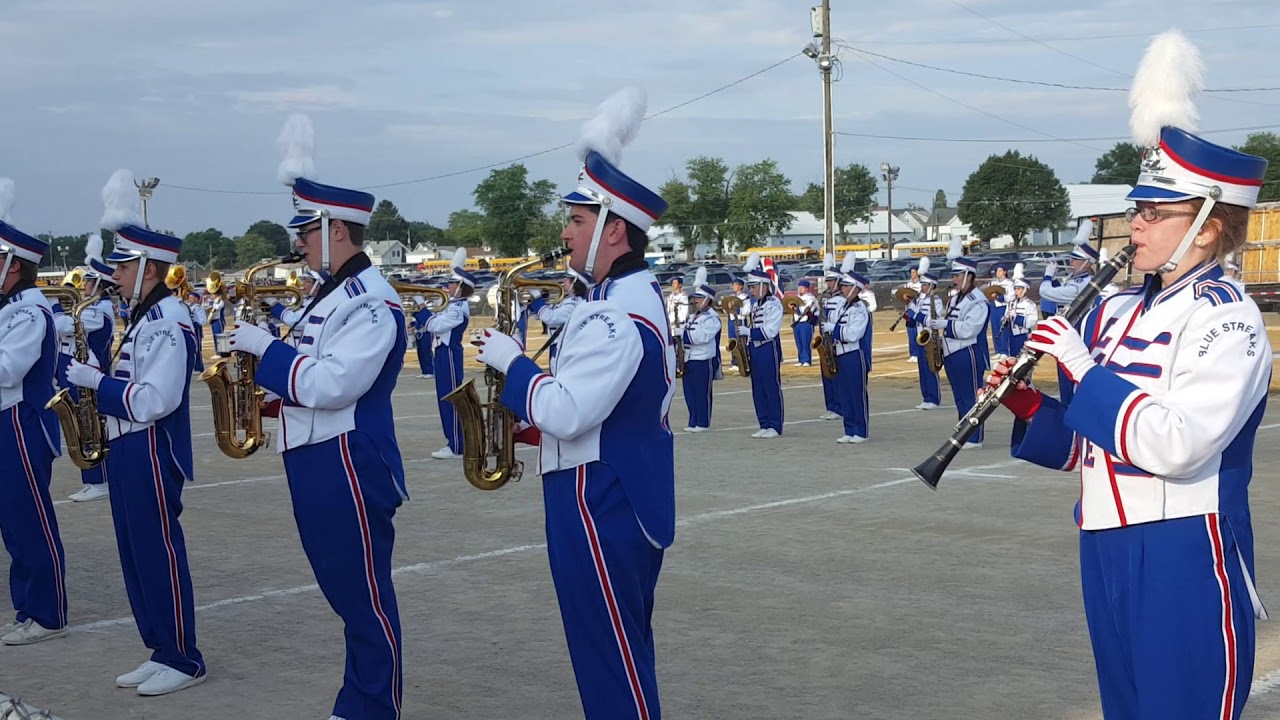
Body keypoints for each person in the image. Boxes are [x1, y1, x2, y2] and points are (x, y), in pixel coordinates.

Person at [988, 31, 1271, 720]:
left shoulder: (1228, 320)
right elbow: (1091, 450)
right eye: (1134, 210)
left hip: (1184, 546)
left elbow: (1176, 446)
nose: (1133, 226)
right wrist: (1028, 404)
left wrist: (1082, 367)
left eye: (1152, 213)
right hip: (1104, 539)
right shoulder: (1113, 309)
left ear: (1206, 227)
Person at [473, 87, 673, 719]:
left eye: (577, 221)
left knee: (611, 659)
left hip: (600, 497)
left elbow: (566, 412)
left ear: (615, 231)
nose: (564, 234)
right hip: (602, 487)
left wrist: (511, 363)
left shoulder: (616, 315)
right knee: (608, 652)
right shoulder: (616, 302)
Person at [226, 122, 408, 720]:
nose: (300, 243)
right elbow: (310, 384)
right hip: (315, 454)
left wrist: (266, 351)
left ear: (335, 231)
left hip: (349, 459)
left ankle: (373, 706)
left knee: (363, 595)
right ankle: (357, 700)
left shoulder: (371, 301)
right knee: (344, 590)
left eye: (307, 231)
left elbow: (332, 384)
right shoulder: (330, 293)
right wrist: (264, 397)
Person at [64, 169, 206, 694]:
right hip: (126, 448)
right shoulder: (142, 318)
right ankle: (161, 647)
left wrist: (96, 384)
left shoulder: (167, 320)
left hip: (150, 448)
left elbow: (156, 401)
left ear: (149, 268)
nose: (115, 275)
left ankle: (185, 657)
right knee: (134, 552)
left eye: (124, 266)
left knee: (157, 550)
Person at [0, 200, 69, 647]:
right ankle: (29, 607)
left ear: (12, 265)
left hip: (21, 423)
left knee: (28, 519)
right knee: (12, 520)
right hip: (7, 421)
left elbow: (8, 369)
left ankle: (46, 612)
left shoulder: (28, 310)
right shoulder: (10, 306)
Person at [64, 237, 121, 503]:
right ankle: (94, 479)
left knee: (90, 429)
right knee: (87, 428)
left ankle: (98, 480)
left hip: (93, 376)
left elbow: (64, 326)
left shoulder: (99, 310)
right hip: (86, 375)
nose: (83, 285)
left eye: (88, 281)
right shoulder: (95, 308)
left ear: (100, 284)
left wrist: (51, 308)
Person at [933, 249, 989, 448]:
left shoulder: (978, 301)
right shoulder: (955, 298)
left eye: (957, 275)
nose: (954, 279)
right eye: (953, 275)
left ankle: (974, 437)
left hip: (967, 352)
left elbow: (970, 329)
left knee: (971, 396)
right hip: (951, 352)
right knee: (959, 396)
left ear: (969, 276)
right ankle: (964, 432)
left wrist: (945, 325)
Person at [421, 248, 473, 460]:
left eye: (452, 283)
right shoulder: (452, 305)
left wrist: (420, 309)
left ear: (461, 287)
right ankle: (453, 441)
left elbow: (435, 325)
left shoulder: (458, 308)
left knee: (450, 398)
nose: (447, 286)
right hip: (443, 352)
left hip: (450, 353)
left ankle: (457, 444)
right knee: (444, 399)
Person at [1040, 221, 1098, 405]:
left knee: (1072, 392)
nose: (1071, 262)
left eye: (1075, 259)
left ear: (1087, 264)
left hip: (1077, 339)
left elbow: (1047, 292)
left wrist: (1048, 275)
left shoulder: (1081, 285)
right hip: (1069, 338)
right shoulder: (1076, 281)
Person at [822, 253, 869, 443]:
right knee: (844, 393)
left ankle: (861, 431)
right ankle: (849, 429)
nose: (842, 289)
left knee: (856, 394)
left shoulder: (860, 309)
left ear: (856, 289)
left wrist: (835, 329)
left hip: (853, 354)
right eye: (842, 286)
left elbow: (854, 334)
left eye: (846, 286)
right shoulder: (842, 306)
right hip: (839, 354)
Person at [740, 252, 783, 438]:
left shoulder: (774, 304)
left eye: (753, 286)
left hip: (767, 348)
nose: (751, 290)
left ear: (764, 286)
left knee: (770, 387)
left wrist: (749, 332)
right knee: (757, 388)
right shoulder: (756, 305)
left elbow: (770, 331)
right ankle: (763, 423)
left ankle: (775, 425)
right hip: (755, 349)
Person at [679, 267, 722, 432]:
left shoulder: (712, 318)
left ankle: (703, 422)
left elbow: (701, 337)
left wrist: (682, 336)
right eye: (695, 298)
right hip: (689, 358)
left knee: (701, 392)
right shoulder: (692, 316)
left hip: (703, 358)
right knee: (690, 392)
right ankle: (693, 421)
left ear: (707, 300)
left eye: (699, 298)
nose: (695, 301)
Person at [527, 268, 589, 362]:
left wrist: (537, 296)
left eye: (567, 279)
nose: (564, 281)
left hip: (563, 346)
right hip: (559, 344)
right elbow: (549, 310)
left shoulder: (574, 304)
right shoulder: (568, 299)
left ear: (575, 282)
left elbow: (550, 317)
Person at [903, 268, 942, 411]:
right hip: (920, 337)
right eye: (922, 285)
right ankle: (926, 397)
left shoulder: (936, 301)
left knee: (931, 368)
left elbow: (933, 319)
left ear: (932, 286)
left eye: (925, 285)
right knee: (922, 369)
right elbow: (913, 317)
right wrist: (909, 312)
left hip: (930, 337)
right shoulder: (919, 300)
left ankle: (934, 398)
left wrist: (916, 315)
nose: (922, 287)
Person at [817, 255, 843, 420]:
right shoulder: (824, 297)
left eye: (832, 281)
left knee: (837, 374)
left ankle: (839, 407)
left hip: (837, 339)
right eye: (828, 281)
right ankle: (831, 406)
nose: (829, 284)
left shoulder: (842, 299)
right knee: (826, 373)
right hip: (825, 339)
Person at [1003, 273, 1038, 357]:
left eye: (1018, 289)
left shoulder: (1030, 304)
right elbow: (1005, 319)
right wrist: (1005, 320)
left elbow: (1031, 322)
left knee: (1023, 359)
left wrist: (1015, 317)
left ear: (1025, 290)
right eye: (1015, 289)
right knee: (1012, 358)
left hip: (1023, 336)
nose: (1016, 292)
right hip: (1011, 336)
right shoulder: (1011, 303)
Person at [984, 264, 1014, 359]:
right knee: (995, 328)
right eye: (997, 271)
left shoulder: (1009, 283)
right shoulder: (992, 283)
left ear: (1005, 272)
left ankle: (1004, 350)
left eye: (1000, 271)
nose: (998, 273)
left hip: (1003, 307)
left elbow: (1011, 297)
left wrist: (1000, 297)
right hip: (994, 306)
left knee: (1004, 328)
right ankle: (998, 350)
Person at [791, 279, 817, 367]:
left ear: (807, 289)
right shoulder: (796, 298)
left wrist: (796, 308)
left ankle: (807, 360)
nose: (800, 289)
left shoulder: (811, 298)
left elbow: (807, 310)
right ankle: (801, 359)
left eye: (802, 287)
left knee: (805, 341)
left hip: (806, 322)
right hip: (797, 323)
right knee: (799, 342)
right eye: (799, 287)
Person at [184, 291, 206, 373]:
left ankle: (199, 367)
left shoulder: (198, 308)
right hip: (190, 329)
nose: (190, 299)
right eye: (189, 297)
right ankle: (193, 366)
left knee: (197, 348)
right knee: (191, 347)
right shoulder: (188, 307)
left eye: (192, 297)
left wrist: (196, 323)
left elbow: (203, 320)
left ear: (196, 298)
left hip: (196, 329)